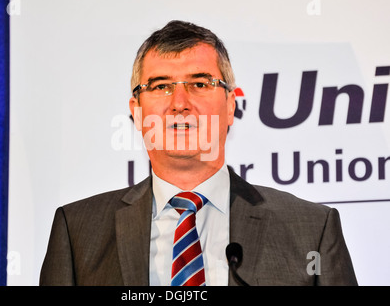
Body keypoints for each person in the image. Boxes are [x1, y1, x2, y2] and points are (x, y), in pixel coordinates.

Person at [39, 20, 358, 286]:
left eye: (200, 84)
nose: (180, 103)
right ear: (136, 110)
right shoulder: (78, 231)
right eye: (161, 86)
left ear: (231, 106)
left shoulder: (312, 229)